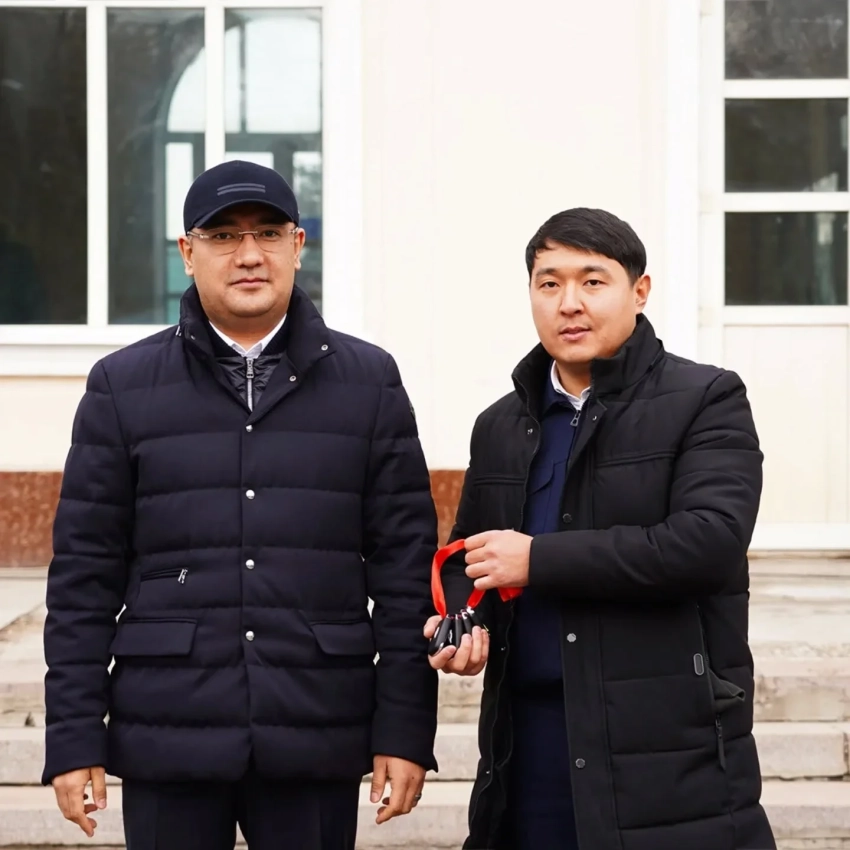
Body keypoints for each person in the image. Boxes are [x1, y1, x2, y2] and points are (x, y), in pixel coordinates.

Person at [43, 159, 439, 850]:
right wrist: (74, 737)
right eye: (223, 236)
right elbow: (84, 576)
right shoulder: (122, 386)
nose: (249, 254)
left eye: (268, 233)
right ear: (187, 252)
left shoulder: (369, 382)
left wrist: (404, 730)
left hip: (315, 722)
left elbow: (406, 572)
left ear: (298, 245)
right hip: (168, 728)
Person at [425, 208, 776, 850]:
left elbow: (708, 543)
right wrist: (463, 624)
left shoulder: (706, 399)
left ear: (639, 291)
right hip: (526, 747)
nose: (569, 303)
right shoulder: (501, 425)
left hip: (666, 748)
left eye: (592, 281)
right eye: (549, 283)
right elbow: (472, 558)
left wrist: (539, 561)